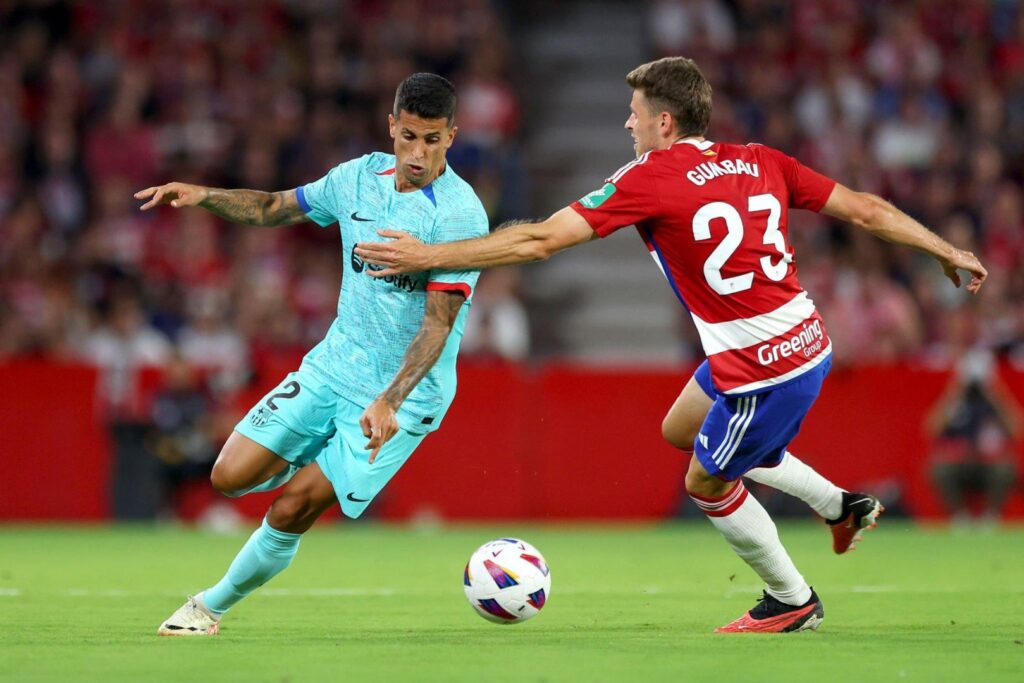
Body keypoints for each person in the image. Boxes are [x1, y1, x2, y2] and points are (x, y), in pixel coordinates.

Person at [354, 57, 988, 633]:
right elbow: (867, 211)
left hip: (761, 369)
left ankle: (792, 598)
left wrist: (430, 255)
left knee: (707, 481)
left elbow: (538, 241)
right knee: (681, 427)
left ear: (663, 121)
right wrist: (944, 248)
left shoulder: (650, 179)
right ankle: (841, 505)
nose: (626, 125)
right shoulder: (762, 159)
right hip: (802, 337)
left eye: (633, 116)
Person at [135, 73, 489, 636]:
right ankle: (314, 457)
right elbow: (276, 206)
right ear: (391, 127)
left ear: (452, 136)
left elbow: (439, 325)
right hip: (333, 366)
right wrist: (205, 195)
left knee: (291, 509)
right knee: (228, 476)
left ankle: (208, 607)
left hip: (404, 394)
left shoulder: (459, 215)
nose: (418, 153)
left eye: (432, 140)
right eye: (409, 137)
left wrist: (388, 401)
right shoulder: (355, 179)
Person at [927, 347, 1021, 526]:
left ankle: (991, 517)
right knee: (939, 468)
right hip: (960, 461)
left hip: (989, 463)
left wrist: (995, 391)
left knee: (1006, 468)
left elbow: (1016, 429)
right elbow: (932, 429)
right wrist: (956, 390)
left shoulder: (993, 400)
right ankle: (959, 518)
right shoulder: (957, 400)